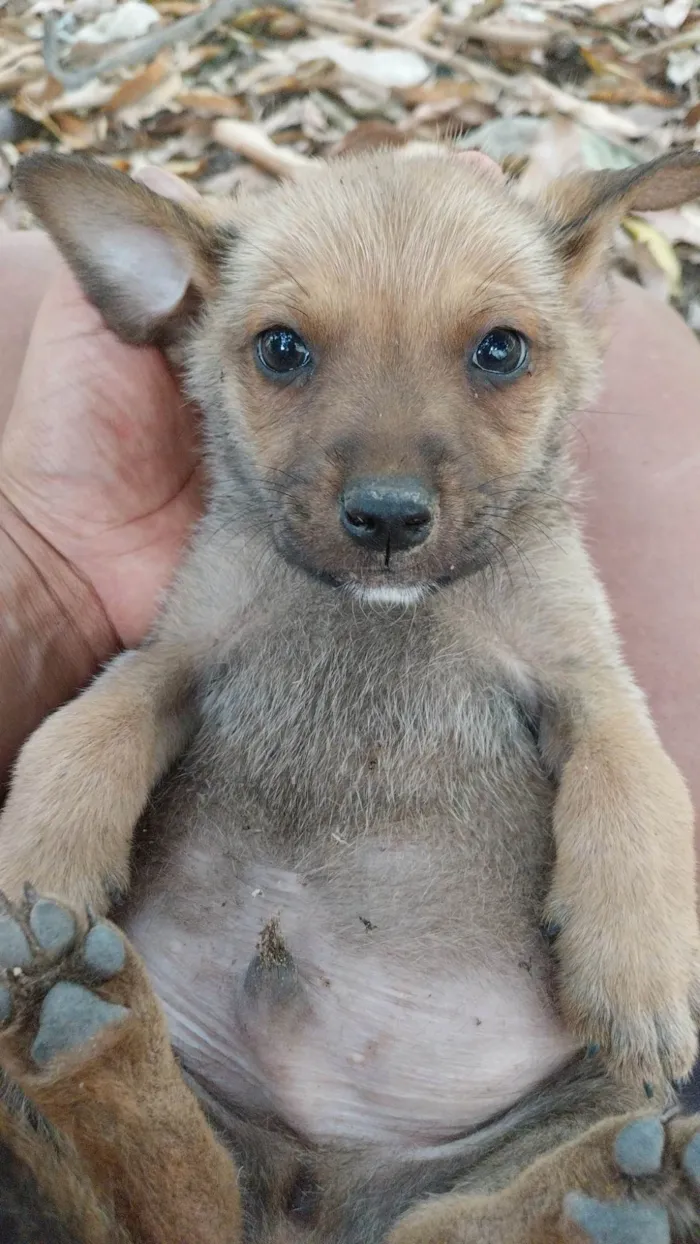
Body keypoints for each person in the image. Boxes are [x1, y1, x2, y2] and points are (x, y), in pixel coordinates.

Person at [1, 167, 699, 1090]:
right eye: (286, 353)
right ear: (181, 306)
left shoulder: (530, 557)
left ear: (577, 317)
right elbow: (160, 679)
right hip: (171, 1064)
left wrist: (638, 884)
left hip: (462, 1096)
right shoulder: (246, 545)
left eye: (496, 353)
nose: (388, 490)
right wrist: (49, 572)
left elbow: (597, 713)